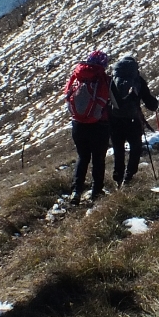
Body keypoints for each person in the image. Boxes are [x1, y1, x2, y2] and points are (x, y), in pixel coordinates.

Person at [64, 50, 111, 203]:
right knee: (98, 159)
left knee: (83, 157)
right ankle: (96, 193)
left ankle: (76, 191)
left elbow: (67, 96)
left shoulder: (76, 75)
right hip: (99, 125)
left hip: (78, 125)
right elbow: (107, 99)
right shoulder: (102, 77)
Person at [109, 54, 159, 187]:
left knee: (118, 149)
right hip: (133, 120)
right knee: (135, 148)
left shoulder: (112, 79)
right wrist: (155, 104)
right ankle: (129, 176)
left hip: (115, 120)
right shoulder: (137, 79)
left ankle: (118, 177)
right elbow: (149, 102)